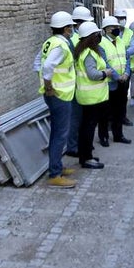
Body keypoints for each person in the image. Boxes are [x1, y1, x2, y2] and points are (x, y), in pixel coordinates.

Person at [39, 11, 78, 188]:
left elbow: (39, 63)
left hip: (59, 94)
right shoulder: (61, 46)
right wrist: (49, 88)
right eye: (70, 27)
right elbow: (47, 67)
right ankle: (55, 174)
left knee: (58, 133)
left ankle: (57, 166)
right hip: (59, 95)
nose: (72, 30)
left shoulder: (51, 42)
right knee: (60, 134)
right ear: (65, 28)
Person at [74, 21, 112, 169]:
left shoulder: (83, 51)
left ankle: (86, 156)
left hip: (89, 97)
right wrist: (106, 73)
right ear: (91, 37)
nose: (99, 37)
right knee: (88, 129)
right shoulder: (89, 53)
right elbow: (92, 74)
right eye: (97, 34)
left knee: (86, 128)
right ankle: (87, 158)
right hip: (92, 98)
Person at [66, 5, 95, 156]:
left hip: (82, 84)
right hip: (74, 84)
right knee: (75, 118)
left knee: (82, 117)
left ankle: (82, 143)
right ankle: (72, 147)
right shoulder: (72, 39)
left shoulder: (79, 37)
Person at [99, 16, 131, 146]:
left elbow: (127, 59)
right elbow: (104, 63)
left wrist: (127, 73)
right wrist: (118, 76)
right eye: (113, 27)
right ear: (106, 29)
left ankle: (118, 135)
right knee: (106, 112)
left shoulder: (121, 41)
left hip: (122, 82)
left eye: (117, 27)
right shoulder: (101, 43)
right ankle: (104, 136)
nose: (116, 29)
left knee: (119, 110)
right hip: (109, 82)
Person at [114, 10, 134, 126]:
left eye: (123, 18)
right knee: (112, 98)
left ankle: (123, 117)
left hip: (126, 70)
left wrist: (121, 52)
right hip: (113, 72)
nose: (121, 20)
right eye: (119, 18)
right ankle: (111, 120)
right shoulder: (109, 32)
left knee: (123, 97)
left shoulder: (129, 32)